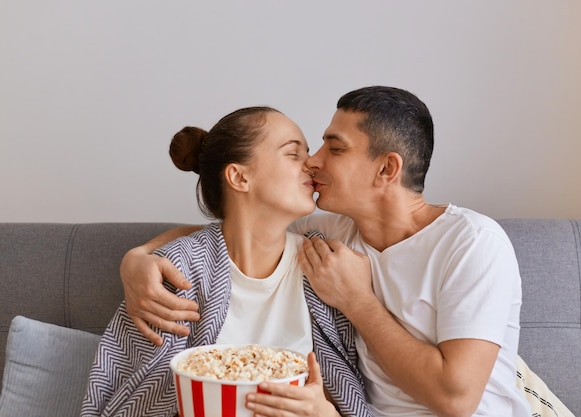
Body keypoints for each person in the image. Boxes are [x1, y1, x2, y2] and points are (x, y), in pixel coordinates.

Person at [121, 87, 532, 417]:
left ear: (387, 169)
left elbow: (455, 400)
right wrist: (138, 258)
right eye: (306, 150)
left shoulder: (471, 243)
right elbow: (239, 229)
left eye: (334, 149)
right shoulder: (330, 233)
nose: (314, 162)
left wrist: (357, 300)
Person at [80, 107, 372, 417]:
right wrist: (138, 257)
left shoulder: (326, 265)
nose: (312, 164)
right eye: (293, 154)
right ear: (239, 176)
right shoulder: (178, 269)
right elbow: (140, 394)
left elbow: (344, 395)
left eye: (307, 153)